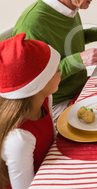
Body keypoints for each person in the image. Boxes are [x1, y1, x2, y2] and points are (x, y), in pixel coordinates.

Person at [0, 33, 61, 189]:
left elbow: (51, 140)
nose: (60, 72)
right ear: (36, 85)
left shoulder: (44, 99)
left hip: (49, 170)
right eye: (55, 70)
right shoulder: (19, 139)